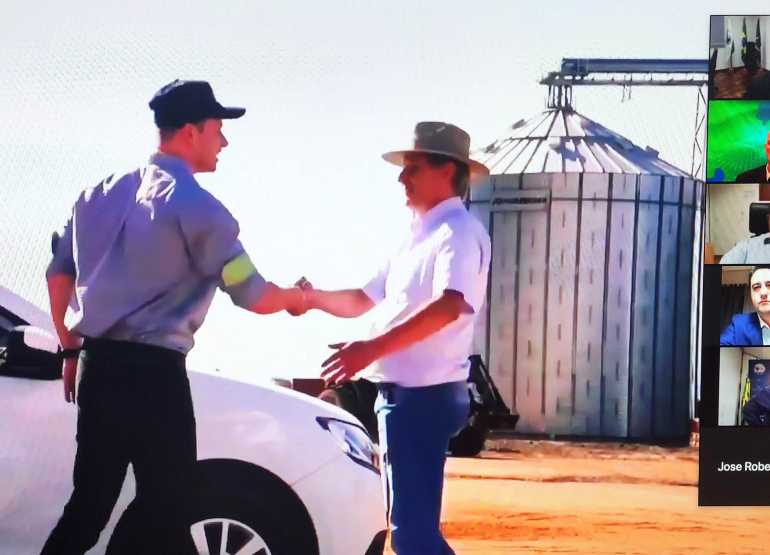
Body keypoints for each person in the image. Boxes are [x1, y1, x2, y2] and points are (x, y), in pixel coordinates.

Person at [40, 80, 306, 555]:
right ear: (190, 131)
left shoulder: (93, 197)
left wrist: (70, 349)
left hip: (97, 371)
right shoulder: (201, 209)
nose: (224, 142)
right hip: (155, 378)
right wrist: (294, 298)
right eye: (218, 130)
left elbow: (58, 276)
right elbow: (252, 293)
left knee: (89, 505)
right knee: (169, 504)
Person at [297, 121, 490, 554]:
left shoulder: (456, 232)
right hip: (405, 396)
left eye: (412, 167)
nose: (402, 177)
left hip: (424, 395)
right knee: (410, 529)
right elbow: (364, 298)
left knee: (411, 534)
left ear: (446, 171)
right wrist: (309, 299)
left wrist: (370, 350)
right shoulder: (416, 236)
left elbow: (450, 305)